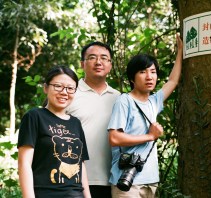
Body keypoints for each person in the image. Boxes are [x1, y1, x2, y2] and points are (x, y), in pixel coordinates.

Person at [107, 33, 183, 198]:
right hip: (127, 182)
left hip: (151, 180)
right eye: (142, 72)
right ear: (132, 78)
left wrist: (180, 51)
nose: (149, 76)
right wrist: (149, 136)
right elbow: (114, 138)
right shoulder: (124, 101)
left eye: (153, 72)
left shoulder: (153, 102)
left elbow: (172, 81)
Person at [18, 66, 91, 198]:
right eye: (58, 86)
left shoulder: (76, 123)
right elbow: (24, 163)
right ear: (46, 88)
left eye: (70, 88)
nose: (64, 92)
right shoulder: (34, 116)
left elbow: (81, 166)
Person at [66, 41, 120, 198]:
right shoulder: (68, 93)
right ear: (82, 64)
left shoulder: (120, 98)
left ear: (110, 65)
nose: (98, 62)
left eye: (104, 58)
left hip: (113, 181)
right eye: (92, 58)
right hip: (73, 179)